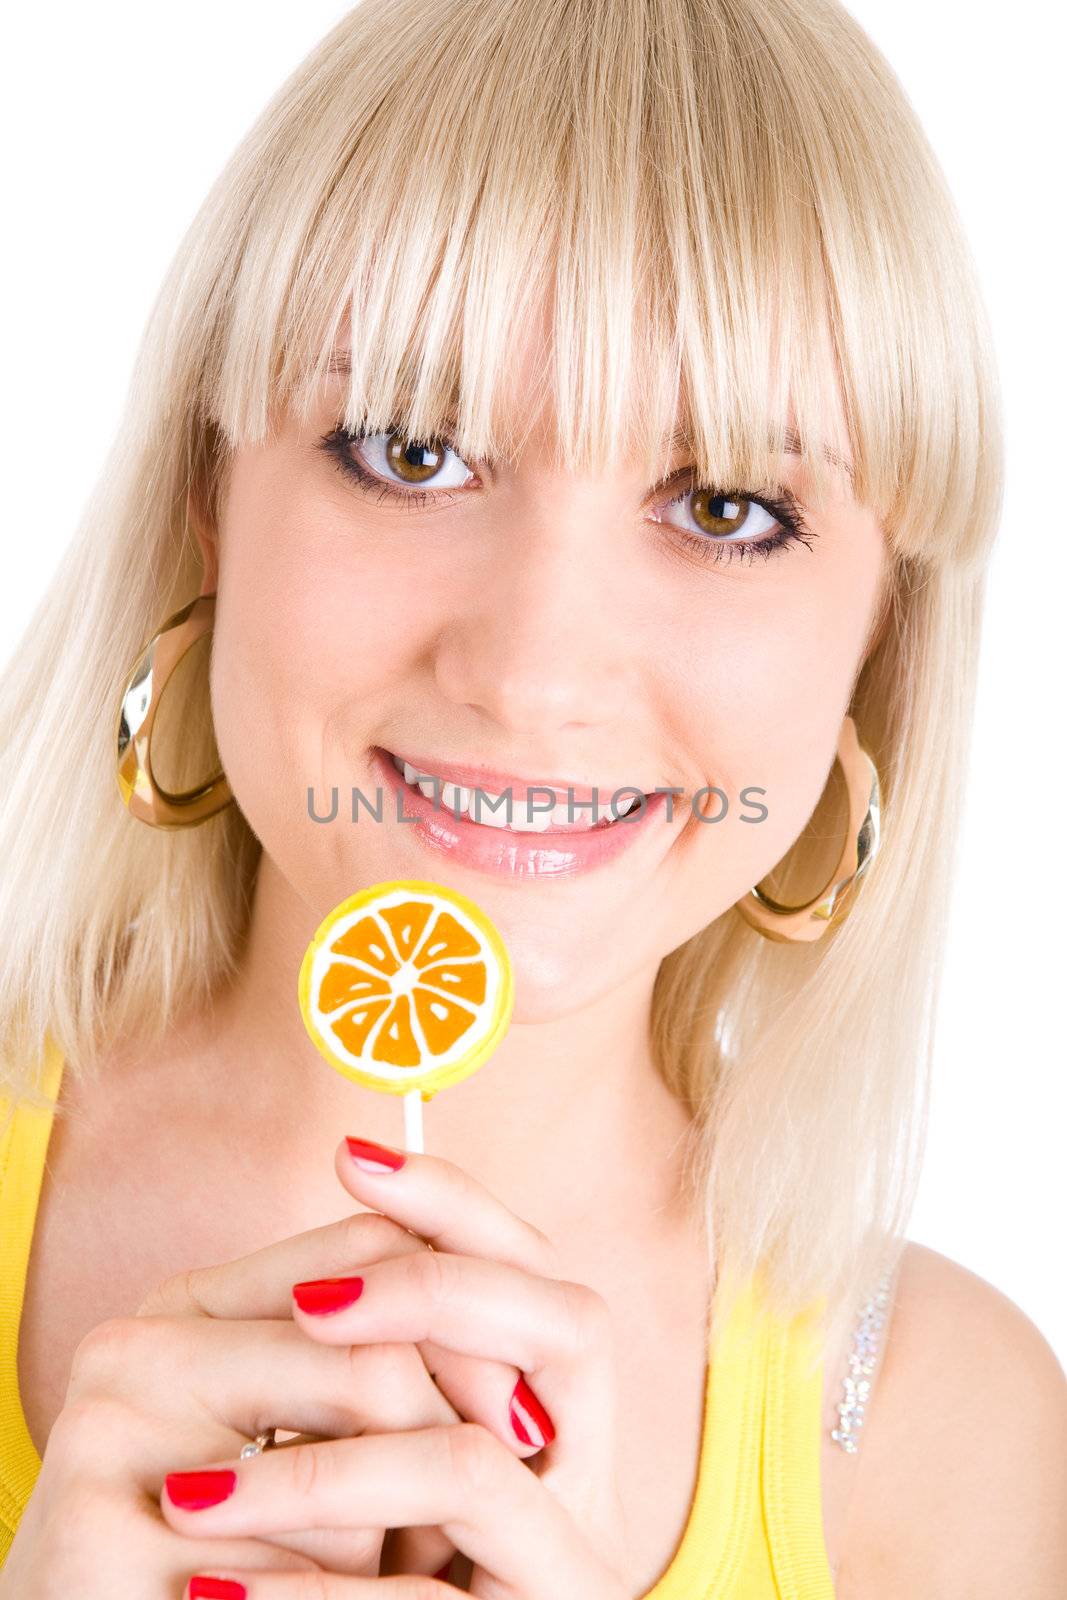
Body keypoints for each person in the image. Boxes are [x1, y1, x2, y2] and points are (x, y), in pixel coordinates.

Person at [0, 0, 1064, 1594]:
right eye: (415, 450)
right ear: (211, 504)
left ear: (875, 646)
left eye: (725, 506)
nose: (535, 669)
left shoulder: (947, 1441)